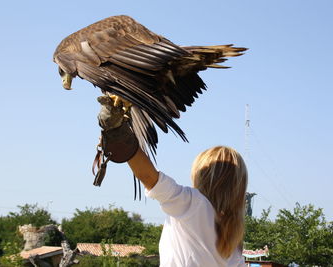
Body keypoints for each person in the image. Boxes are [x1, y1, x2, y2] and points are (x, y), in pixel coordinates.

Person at [98, 96, 248, 266]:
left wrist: (117, 131)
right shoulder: (233, 237)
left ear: (201, 175)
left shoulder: (194, 204)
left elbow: (150, 178)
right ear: (239, 186)